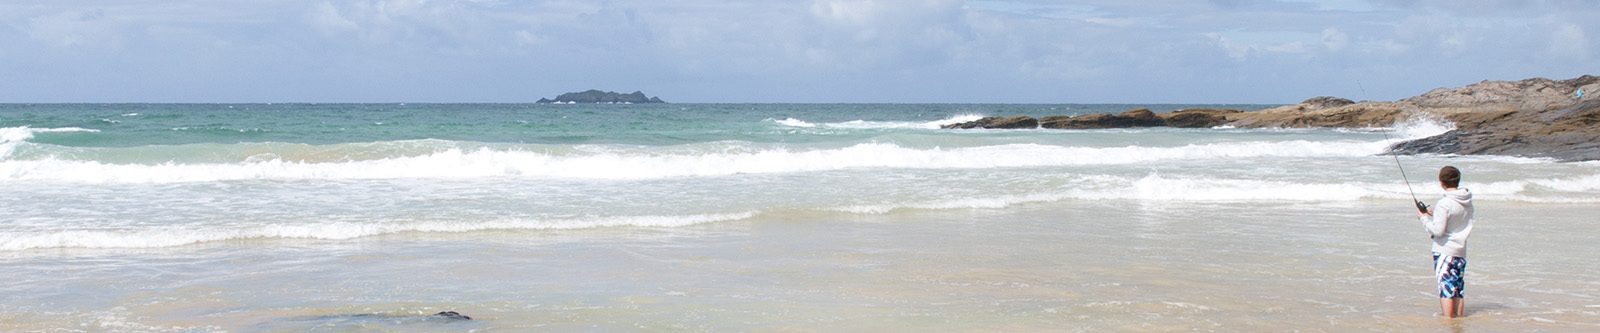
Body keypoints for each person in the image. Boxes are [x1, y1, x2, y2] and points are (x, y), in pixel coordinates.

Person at [1418, 165, 1474, 318]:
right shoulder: (1467, 201)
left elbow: (1438, 231)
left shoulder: (1444, 203)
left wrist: (1423, 218)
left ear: (1441, 182)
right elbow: (1455, 219)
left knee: (1446, 289)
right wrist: (1434, 214)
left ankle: (1449, 323)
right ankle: (1458, 321)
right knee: (1457, 289)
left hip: (1445, 251)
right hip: (1460, 251)